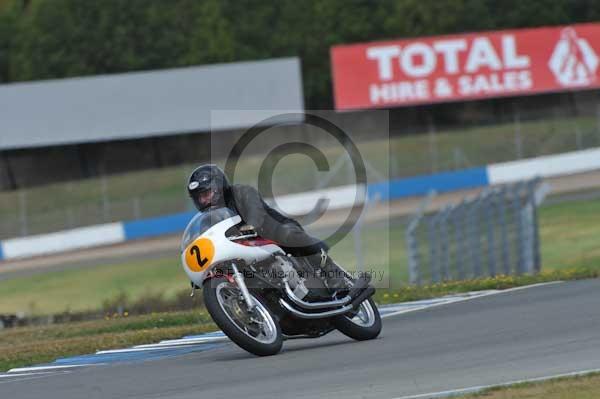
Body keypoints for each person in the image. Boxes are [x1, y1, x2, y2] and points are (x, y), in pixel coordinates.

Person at [187, 164, 349, 292]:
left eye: (206, 193)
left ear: (218, 186)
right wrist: (203, 269)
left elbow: (256, 212)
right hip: (244, 252)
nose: (203, 200)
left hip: (273, 233)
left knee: (289, 235)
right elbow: (208, 241)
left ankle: (332, 271)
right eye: (199, 197)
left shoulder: (242, 192)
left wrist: (250, 226)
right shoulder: (206, 221)